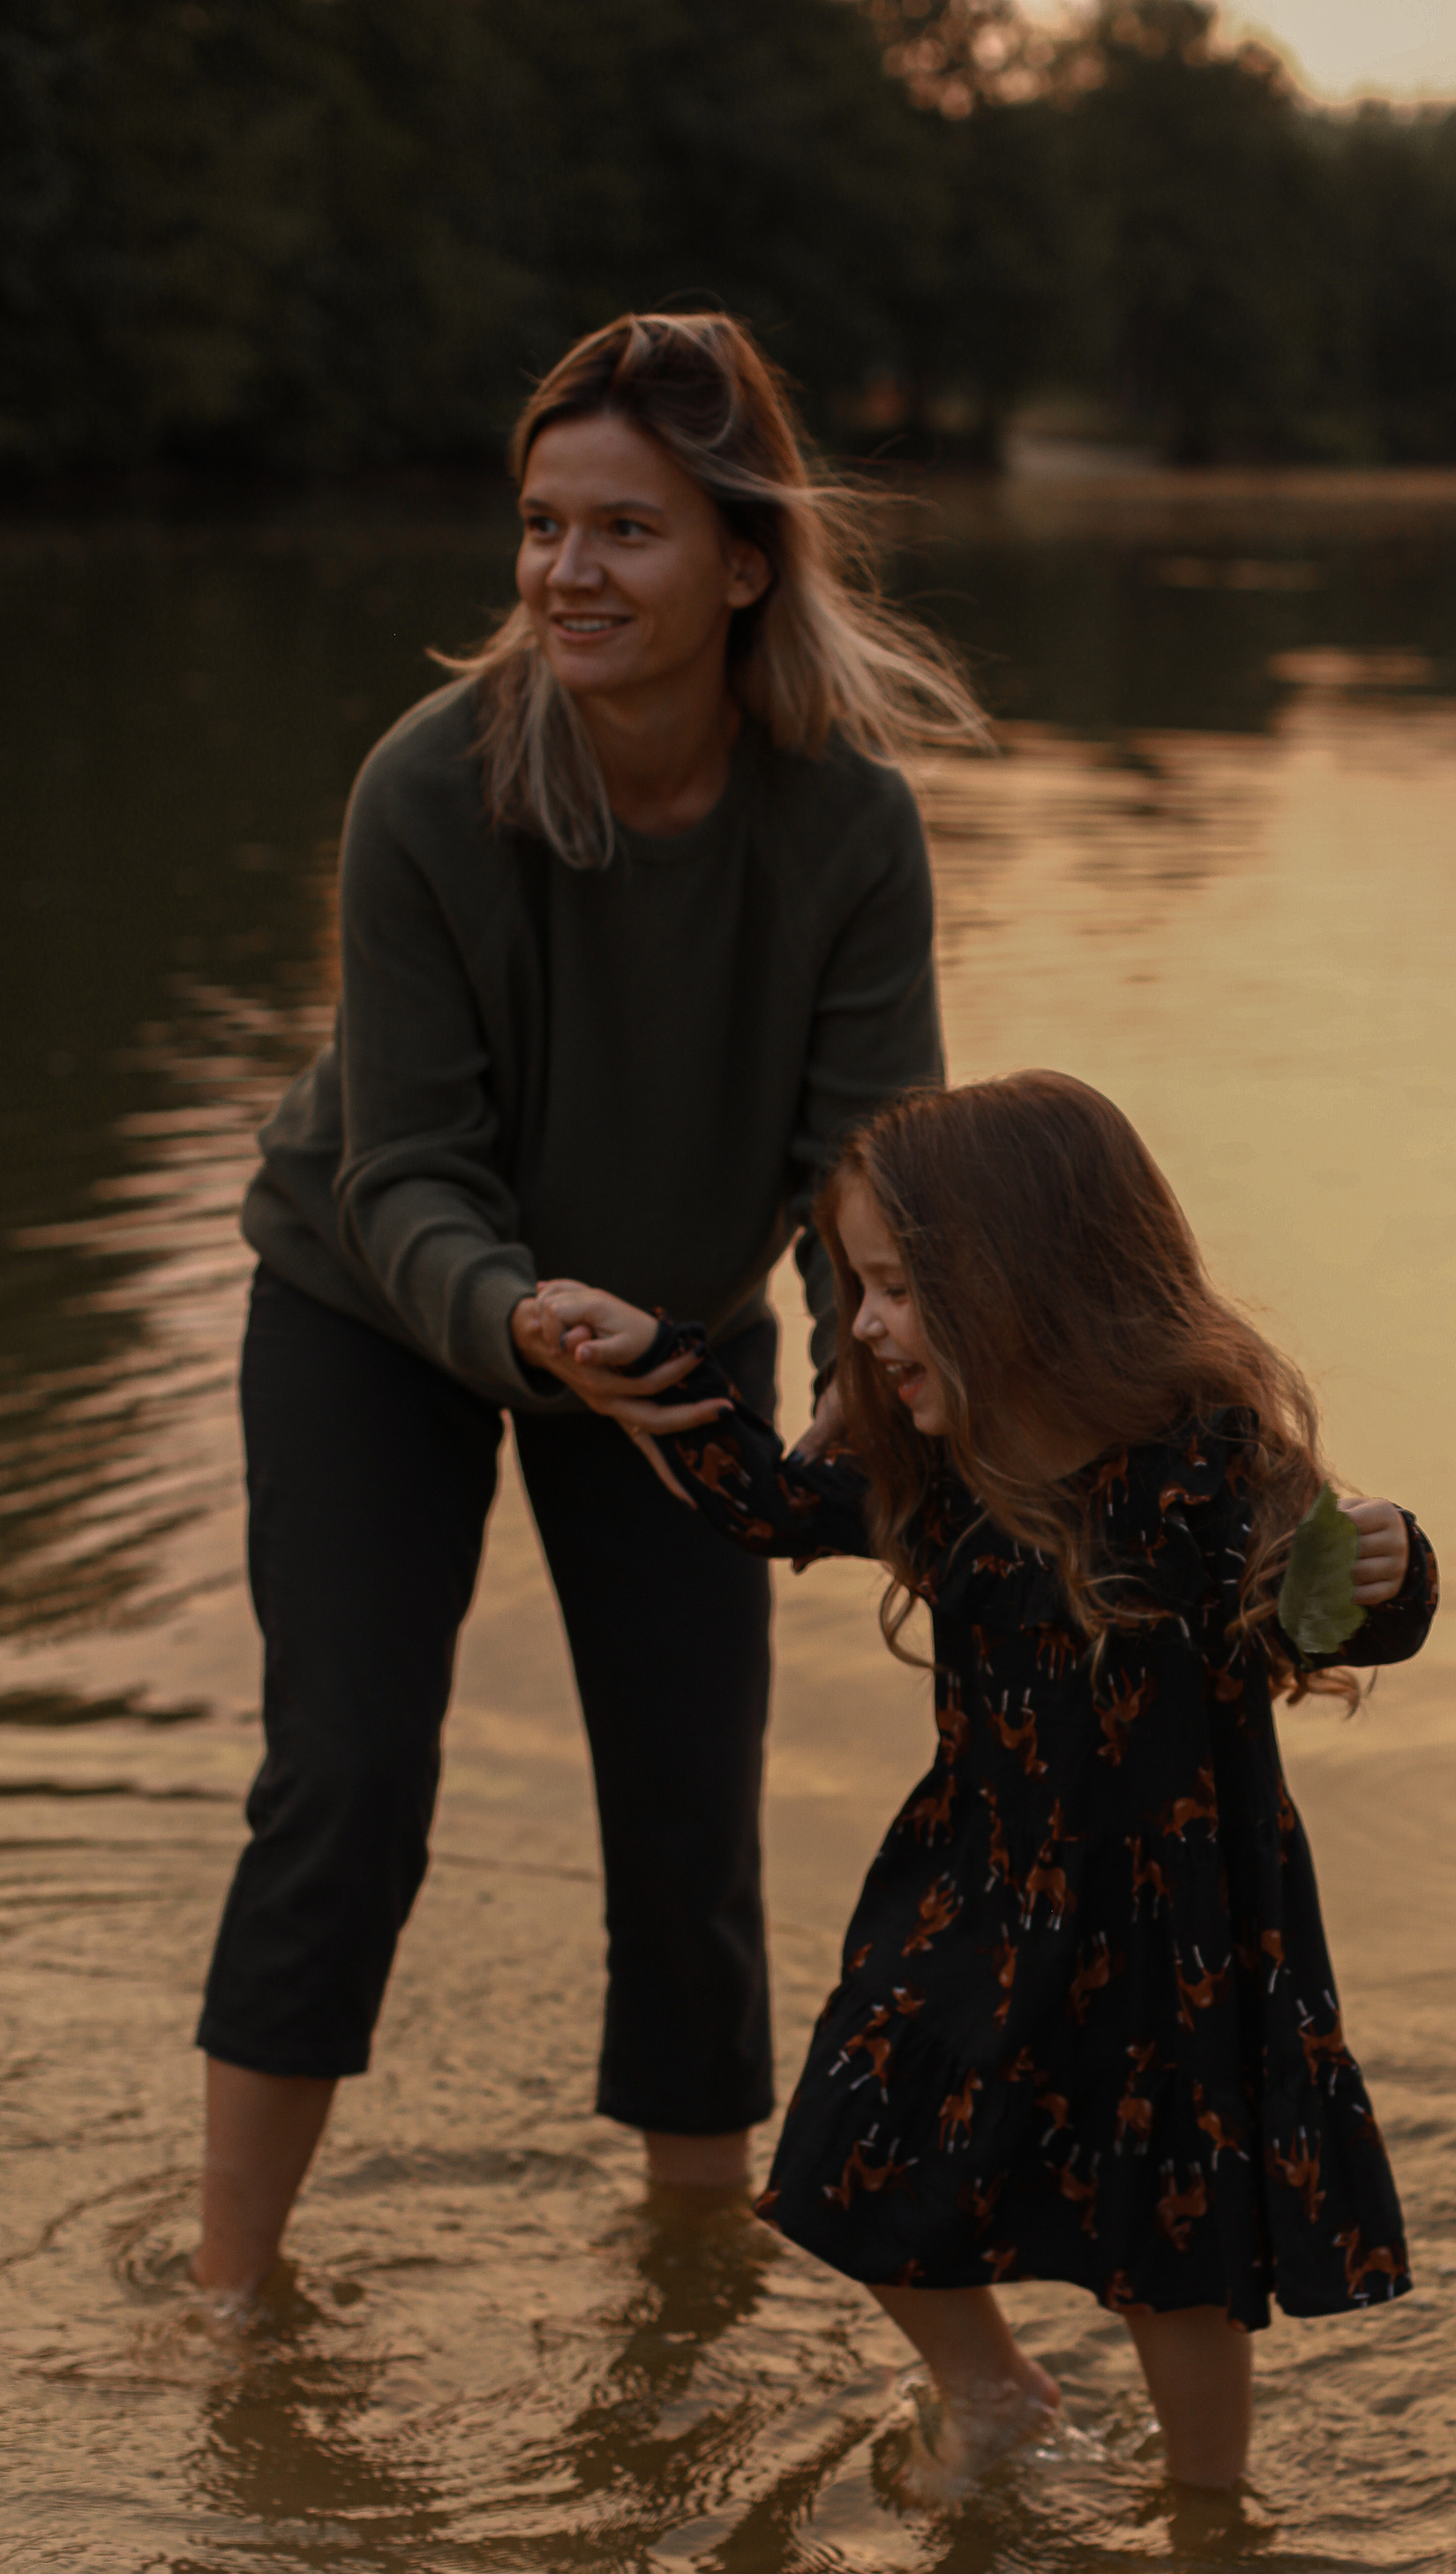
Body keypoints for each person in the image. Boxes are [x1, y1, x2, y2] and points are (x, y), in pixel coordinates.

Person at [191, 310, 984, 2300]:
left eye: (620, 531)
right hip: (378, 1305)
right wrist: (521, 1317)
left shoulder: (849, 830)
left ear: (740, 560)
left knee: (689, 1808)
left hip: (678, 1330)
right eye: (541, 525)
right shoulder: (425, 792)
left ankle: (687, 2280)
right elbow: (405, 1171)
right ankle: (229, 2296)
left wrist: (853, 1401)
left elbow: (859, 1175)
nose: (563, 573)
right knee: (349, 1777)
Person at [520, 1071, 1439, 2490]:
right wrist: (666, 1362)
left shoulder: (1202, 1474)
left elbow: (1321, 1620)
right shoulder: (946, 1479)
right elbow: (762, 1502)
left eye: (890, 1289)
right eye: (858, 1288)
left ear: (1020, 1282)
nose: (865, 1324)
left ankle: (1208, 2517)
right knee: (850, 2128)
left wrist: (1386, 1560)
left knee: (1173, 2243)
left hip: (1177, 1928)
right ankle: (994, 2391)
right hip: (981, 1888)